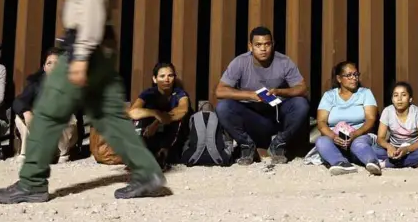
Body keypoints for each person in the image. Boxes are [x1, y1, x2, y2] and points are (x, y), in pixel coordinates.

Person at [0, 0, 168, 202]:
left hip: (83, 48)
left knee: (48, 111)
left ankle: (32, 181)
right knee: (110, 117)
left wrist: (80, 55)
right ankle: (147, 172)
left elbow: (93, 11)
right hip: (97, 50)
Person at [214, 26, 310, 165]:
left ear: (273, 44)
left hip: (277, 115)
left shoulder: (284, 61)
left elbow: (302, 89)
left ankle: (278, 144)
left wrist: (279, 91)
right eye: (258, 45)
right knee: (223, 107)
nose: (263, 49)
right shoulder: (240, 62)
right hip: (251, 116)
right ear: (250, 46)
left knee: (301, 104)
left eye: (267, 44)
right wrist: (250, 95)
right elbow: (220, 91)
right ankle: (247, 145)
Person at [12, 48, 80, 163]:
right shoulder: (36, 84)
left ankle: (62, 153)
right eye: (49, 63)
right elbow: (18, 101)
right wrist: (26, 112)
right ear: (44, 68)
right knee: (20, 116)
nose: (53, 67)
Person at [313, 61, 381, 175]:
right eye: (349, 75)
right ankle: (341, 163)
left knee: (358, 144)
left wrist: (356, 133)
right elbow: (321, 122)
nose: (353, 78)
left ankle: (372, 162)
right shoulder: (329, 96)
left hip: (360, 135)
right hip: (336, 138)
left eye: (356, 74)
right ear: (339, 79)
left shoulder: (365, 93)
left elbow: (370, 119)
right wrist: (333, 136)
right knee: (321, 141)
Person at [127, 62, 191, 169]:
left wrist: (158, 121)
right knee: (138, 119)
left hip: (171, 137)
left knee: (178, 118)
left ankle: (163, 155)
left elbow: (183, 109)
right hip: (151, 134)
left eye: (170, 76)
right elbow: (133, 112)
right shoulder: (149, 93)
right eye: (162, 76)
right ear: (154, 79)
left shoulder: (179, 93)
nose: (166, 79)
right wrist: (155, 113)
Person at [373, 81, 418, 170]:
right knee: (374, 149)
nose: (399, 99)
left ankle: (388, 164)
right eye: (396, 95)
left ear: (410, 99)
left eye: (403, 95)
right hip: (393, 149)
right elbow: (380, 138)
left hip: (412, 149)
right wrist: (389, 147)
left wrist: (407, 149)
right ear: (392, 99)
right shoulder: (387, 111)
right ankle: (413, 162)